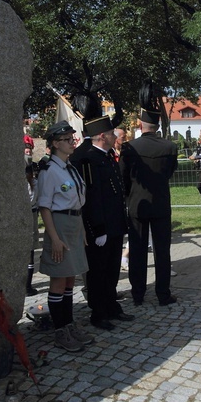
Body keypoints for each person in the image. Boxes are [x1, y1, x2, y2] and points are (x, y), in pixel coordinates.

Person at [36, 120, 94, 352]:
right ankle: (60, 331)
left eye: (73, 139)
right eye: (68, 140)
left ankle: (69, 325)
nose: (73, 143)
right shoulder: (49, 171)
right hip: (58, 226)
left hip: (73, 224)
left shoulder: (69, 167)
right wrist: (55, 239)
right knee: (59, 280)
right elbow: (45, 207)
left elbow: (77, 202)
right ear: (55, 144)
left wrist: (80, 231)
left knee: (70, 278)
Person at [120, 81, 178, 306]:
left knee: (137, 251)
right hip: (161, 204)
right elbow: (169, 173)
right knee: (162, 252)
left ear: (141, 124)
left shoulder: (129, 148)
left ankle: (138, 294)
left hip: (137, 205)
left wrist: (128, 196)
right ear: (157, 124)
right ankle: (163, 294)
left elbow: (123, 177)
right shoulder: (170, 148)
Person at [74, 115, 134, 331]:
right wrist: (98, 228)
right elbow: (92, 197)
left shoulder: (106, 155)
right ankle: (98, 312)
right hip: (101, 226)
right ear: (102, 136)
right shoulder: (88, 159)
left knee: (111, 270)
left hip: (114, 223)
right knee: (98, 271)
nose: (114, 136)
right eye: (110, 133)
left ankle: (111, 305)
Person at [26, 163, 40, 296]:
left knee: (29, 250)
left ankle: (28, 285)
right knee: (29, 251)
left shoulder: (32, 183)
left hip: (30, 213)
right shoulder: (32, 183)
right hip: (30, 213)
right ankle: (27, 286)